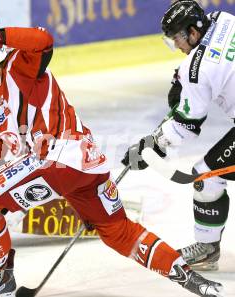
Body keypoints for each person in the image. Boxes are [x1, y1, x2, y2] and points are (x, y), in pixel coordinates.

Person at [0, 22, 224, 297]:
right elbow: (1, 150)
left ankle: (0, 278)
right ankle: (193, 281)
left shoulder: (19, 64)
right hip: (84, 165)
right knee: (119, 231)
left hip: (57, 161)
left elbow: (43, 39)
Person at [122, 0, 235, 272]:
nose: (178, 47)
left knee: (205, 178)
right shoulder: (224, 19)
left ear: (193, 32)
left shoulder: (197, 69)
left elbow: (186, 125)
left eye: (178, 39)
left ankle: (207, 250)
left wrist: (151, 147)